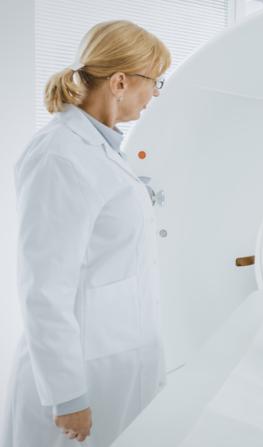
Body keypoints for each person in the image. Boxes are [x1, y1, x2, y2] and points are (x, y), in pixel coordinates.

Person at [1, 20, 171, 447]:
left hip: (117, 356)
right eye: (154, 82)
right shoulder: (59, 154)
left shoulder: (100, 149)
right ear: (118, 82)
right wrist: (67, 394)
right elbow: (44, 287)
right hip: (80, 372)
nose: (154, 94)